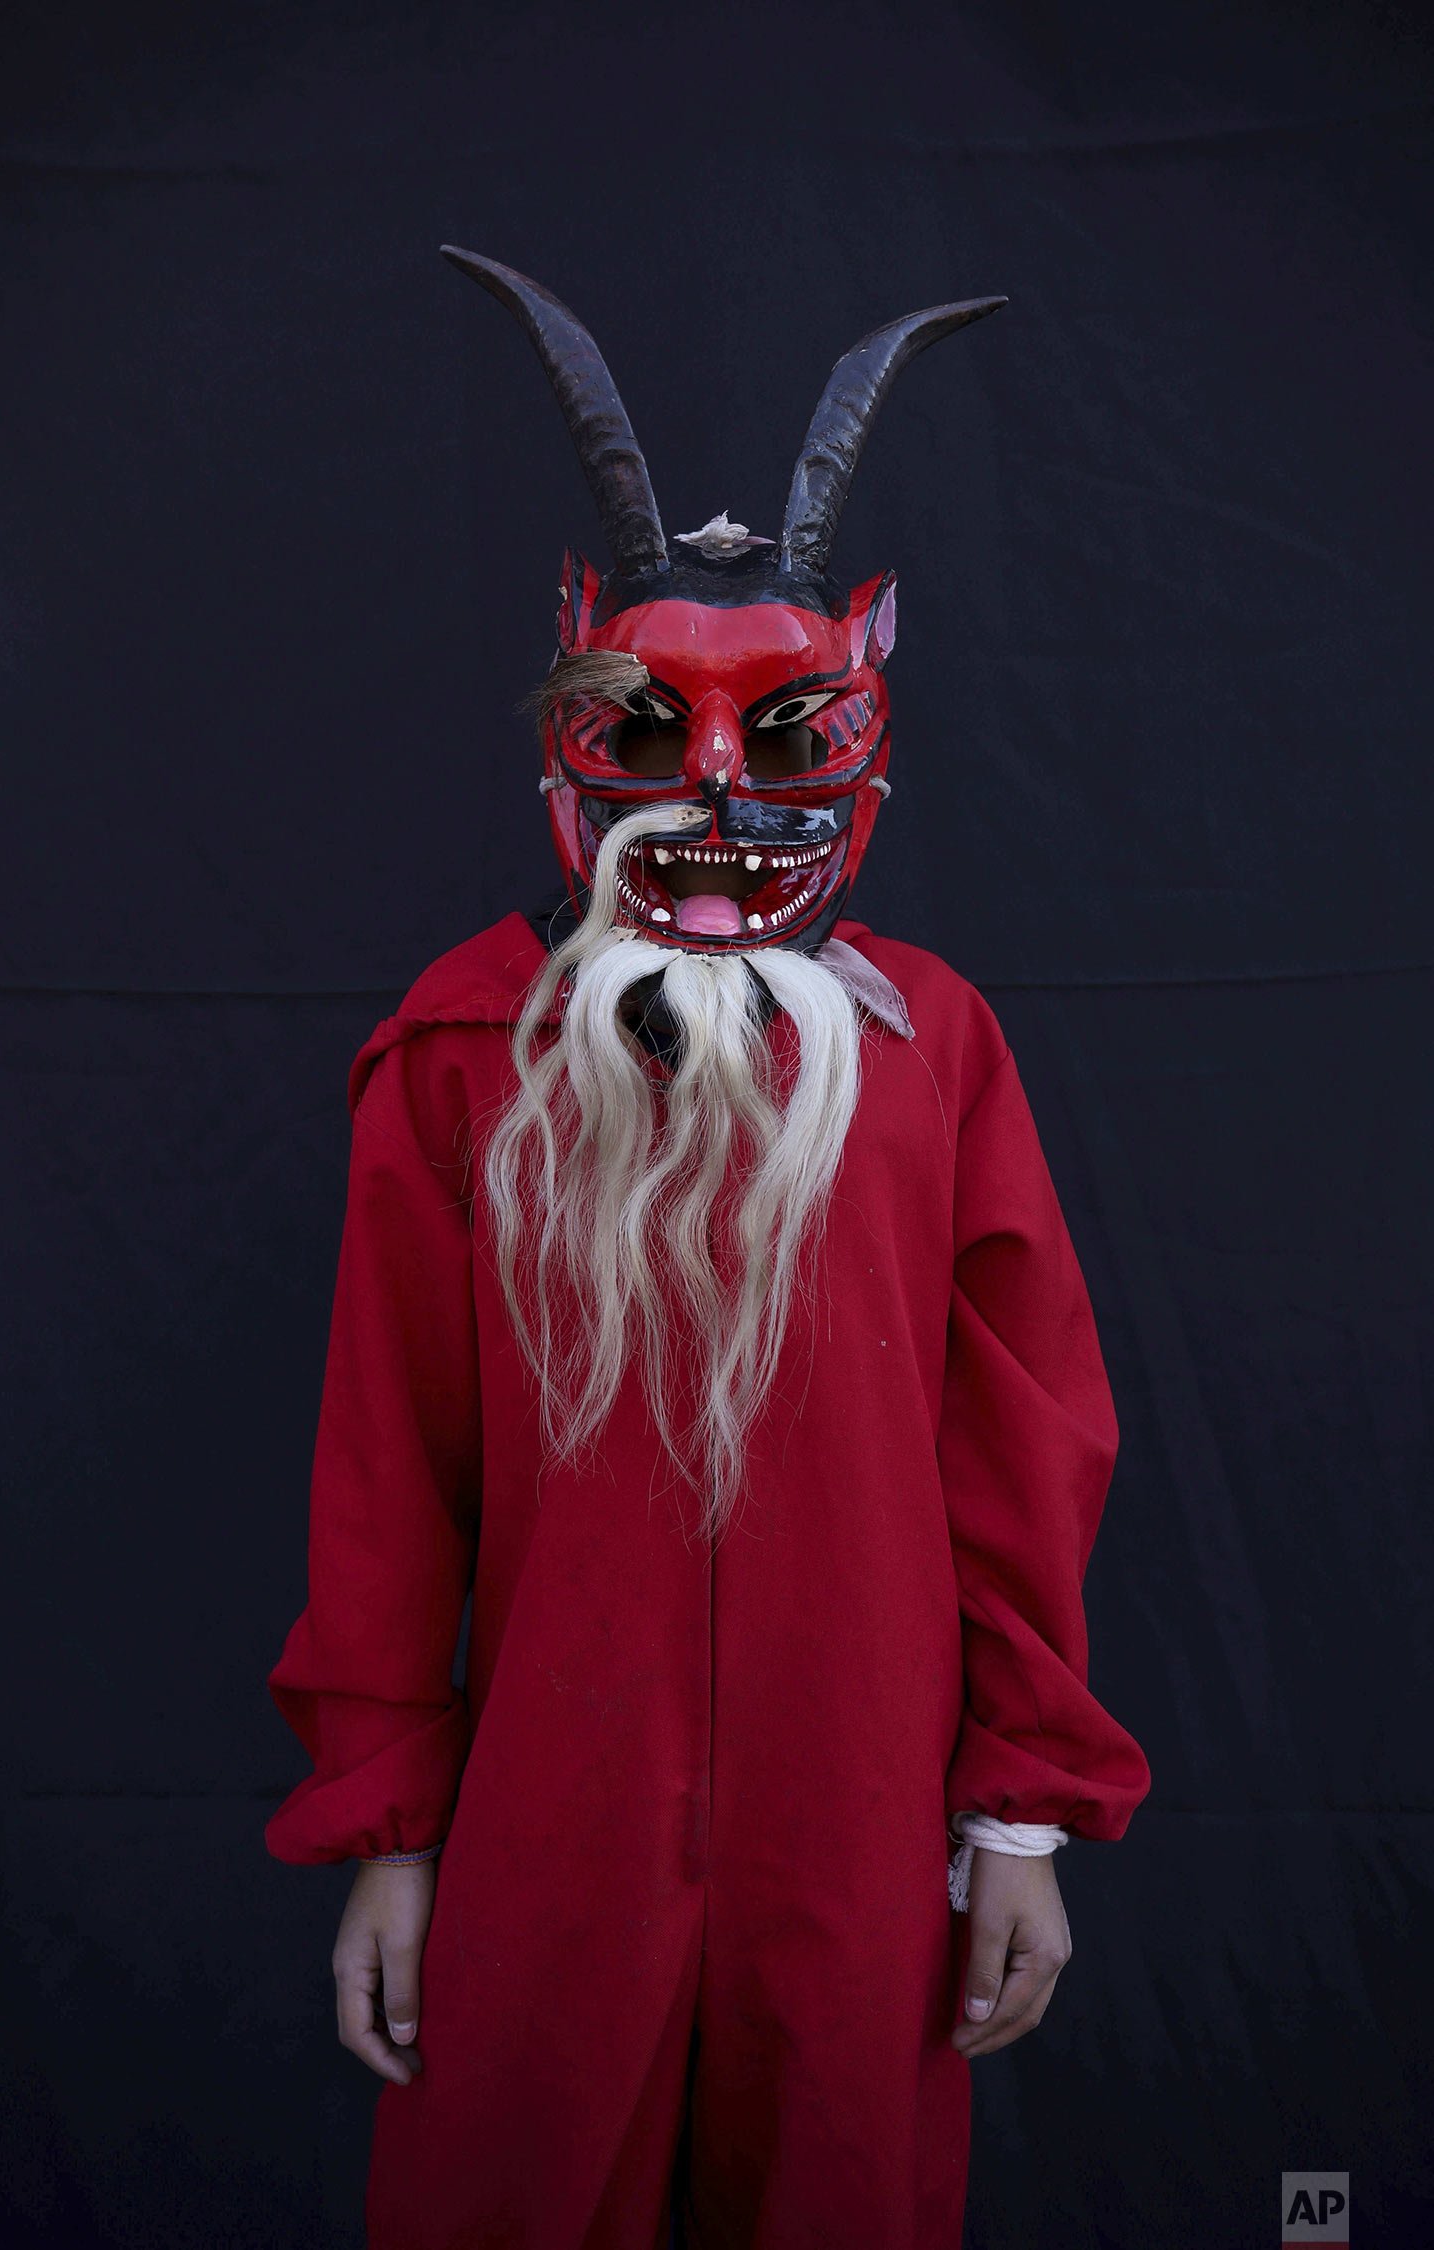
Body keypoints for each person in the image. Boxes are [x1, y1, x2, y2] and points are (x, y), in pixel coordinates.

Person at [264, 247, 1151, 2250]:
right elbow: (388, 1471)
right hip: (549, 1823)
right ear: (572, 707)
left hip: (854, 1813)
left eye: (787, 732)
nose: (722, 797)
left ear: (873, 715)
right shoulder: (458, 1057)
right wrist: (392, 1835)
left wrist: (1017, 1810)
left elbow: (1027, 1445)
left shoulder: (937, 1056)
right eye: (651, 729)